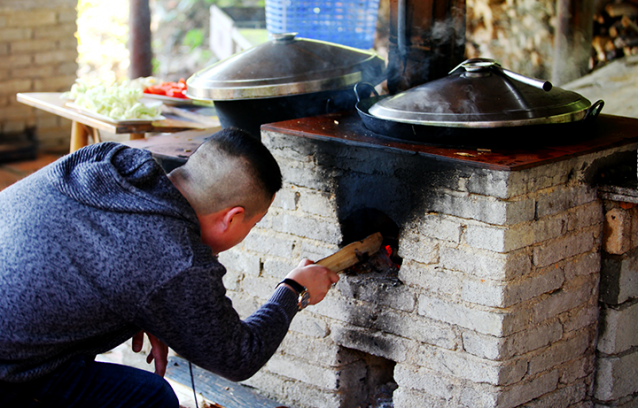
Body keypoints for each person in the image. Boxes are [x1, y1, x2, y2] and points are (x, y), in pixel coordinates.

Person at [0, 127, 339, 408]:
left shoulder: (110, 159)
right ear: (232, 217)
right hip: (8, 371)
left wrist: (150, 308)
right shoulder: (176, 260)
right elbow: (239, 356)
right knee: (150, 398)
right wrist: (294, 289)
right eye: (253, 223)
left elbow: (95, 253)